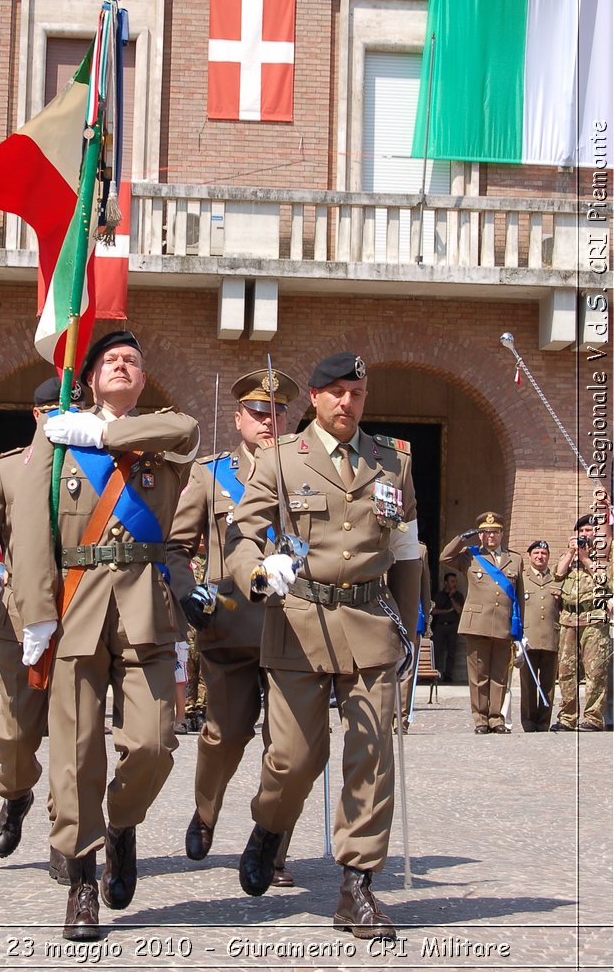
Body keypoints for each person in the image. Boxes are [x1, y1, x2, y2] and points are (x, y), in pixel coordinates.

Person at [225, 352, 421, 939]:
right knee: (295, 759)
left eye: (356, 393)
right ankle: (269, 824)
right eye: (334, 392)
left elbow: (408, 551)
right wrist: (260, 573)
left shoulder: (393, 461)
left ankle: (356, 886)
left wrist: (411, 629)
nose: (346, 402)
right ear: (313, 397)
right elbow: (242, 535)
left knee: (372, 755)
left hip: (369, 620)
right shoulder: (281, 459)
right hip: (299, 618)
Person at [11, 331, 199, 943]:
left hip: (146, 603)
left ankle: (122, 823)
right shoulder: (55, 435)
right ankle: (83, 879)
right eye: (111, 361)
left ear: (143, 381)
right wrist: (36, 613)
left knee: (154, 744)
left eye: (133, 362)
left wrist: (102, 434)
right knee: (75, 751)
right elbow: (32, 531)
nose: (123, 366)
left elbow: (189, 428)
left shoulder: (163, 431)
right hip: (76, 602)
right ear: (90, 378)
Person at [167, 366, 300, 885]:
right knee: (225, 735)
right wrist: (188, 594)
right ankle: (206, 810)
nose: (270, 421)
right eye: (259, 413)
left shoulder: (307, 470)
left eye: (279, 412)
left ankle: (272, 844)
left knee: (288, 746)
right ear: (239, 418)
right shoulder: (210, 474)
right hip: (231, 627)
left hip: (296, 629)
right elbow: (176, 549)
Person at [0, 376, 83, 882]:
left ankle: (65, 834)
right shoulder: (6, 468)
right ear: (36, 415)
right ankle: (15, 795)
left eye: (67, 408)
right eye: (51, 409)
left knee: (74, 738)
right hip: (16, 621)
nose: (58, 416)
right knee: (13, 735)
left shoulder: (91, 467)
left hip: (78, 617)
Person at [441, 512, 524, 734]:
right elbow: (445, 558)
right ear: (480, 536)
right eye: (486, 532)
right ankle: (480, 719)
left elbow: (519, 596)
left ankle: (496, 718)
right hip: (477, 623)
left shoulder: (515, 559)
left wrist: (519, 629)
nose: (491, 536)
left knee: (499, 674)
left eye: (495, 532)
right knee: (479, 675)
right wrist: (461, 538)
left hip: (503, 624)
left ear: (502, 534)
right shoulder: (470, 556)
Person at [552, 514, 614, 732]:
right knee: (566, 671)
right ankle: (567, 717)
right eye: (581, 531)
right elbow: (558, 574)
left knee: (595, 671)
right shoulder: (569, 556)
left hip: (594, 620)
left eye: (589, 531)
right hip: (569, 620)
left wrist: (587, 559)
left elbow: (607, 583)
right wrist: (571, 553)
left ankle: (593, 717)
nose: (584, 535)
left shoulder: (602, 558)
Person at [518, 540, 561, 732]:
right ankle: (528, 721)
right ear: (529, 556)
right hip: (529, 638)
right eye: (536, 553)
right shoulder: (522, 578)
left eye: (543, 553)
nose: (540, 557)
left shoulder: (557, 578)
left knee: (548, 684)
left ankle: (543, 722)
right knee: (528, 684)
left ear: (548, 557)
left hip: (551, 636)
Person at [397, 541, 432, 733]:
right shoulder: (377, 542)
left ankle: (401, 719)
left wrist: (426, 619)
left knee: (407, 669)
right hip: (379, 615)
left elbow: (424, 587)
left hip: (410, 616)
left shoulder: (420, 550)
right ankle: (382, 717)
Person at [430, 571, 464, 683]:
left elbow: (459, 610)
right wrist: (446, 611)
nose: (454, 584)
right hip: (440, 626)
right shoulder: (438, 596)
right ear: (445, 582)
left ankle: (448, 675)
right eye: (452, 581)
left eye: (455, 581)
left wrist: (452, 597)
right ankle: (433, 673)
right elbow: (433, 611)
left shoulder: (458, 596)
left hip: (452, 626)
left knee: (451, 652)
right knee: (437, 651)